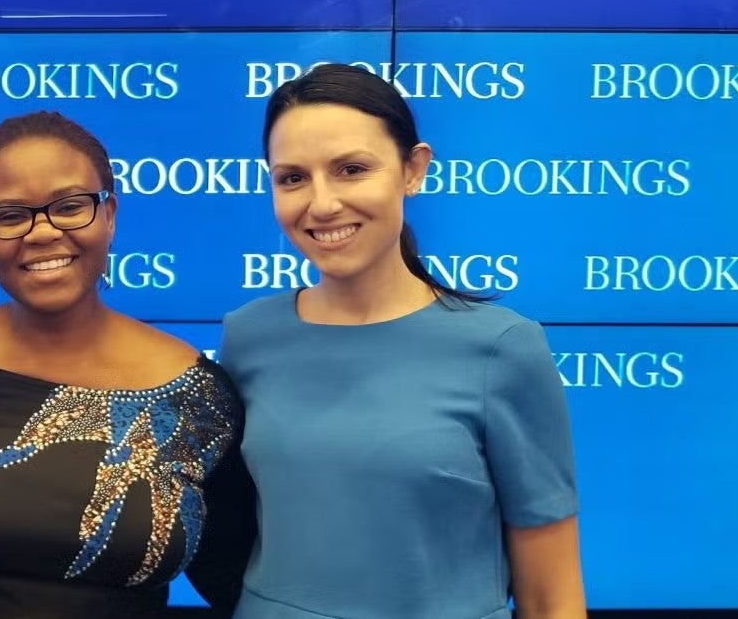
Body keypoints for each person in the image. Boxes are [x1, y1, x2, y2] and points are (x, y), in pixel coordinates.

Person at [220, 63, 585, 619]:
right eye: (292, 177)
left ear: (413, 170)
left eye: (351, 169)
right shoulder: (247, 335)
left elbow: (550, 595)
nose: (321, 204)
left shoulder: (503, 347)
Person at [0, 110, 254, 619]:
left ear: (111, 213)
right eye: (10, 215)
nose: (41, 232)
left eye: (70, 205)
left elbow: (236, 576)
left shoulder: (198, 396)